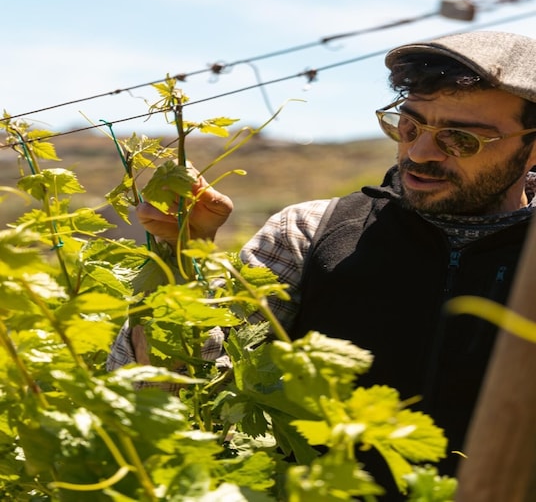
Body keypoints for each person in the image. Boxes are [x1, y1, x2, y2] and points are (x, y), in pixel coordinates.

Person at [107, 29, 536, 499]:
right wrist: (179, 262)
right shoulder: (308, 232)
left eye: (460, 140)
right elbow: (162, 398)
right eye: (409, 127)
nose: (419, 154)